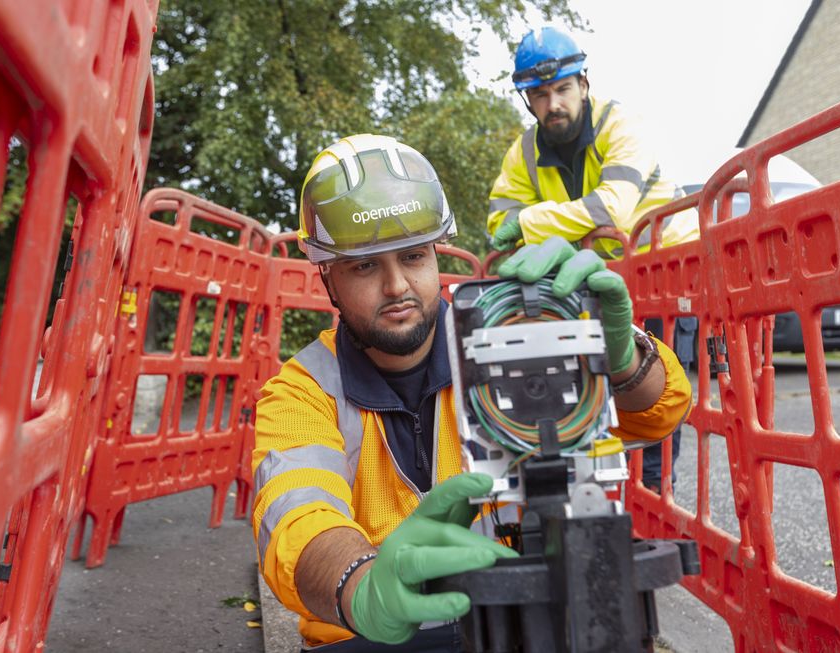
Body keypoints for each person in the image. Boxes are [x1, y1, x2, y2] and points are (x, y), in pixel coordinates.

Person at [251, 134, 692, 652]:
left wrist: (623, 358)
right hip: (367, 633)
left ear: (436, 255)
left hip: (519, 616)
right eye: (365, 265)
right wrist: (362, 583)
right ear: (327, 277)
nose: (397, 286)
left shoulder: (503, 334)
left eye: (413, 255)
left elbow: (652, 416)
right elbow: (298, 516)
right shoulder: (302, 389)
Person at [487, 26, 700, 492]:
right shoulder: (524, 151)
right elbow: (497, 224)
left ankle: (652, 500)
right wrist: (546, 225)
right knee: (585, 393)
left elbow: (612, 210)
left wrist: (532, 222)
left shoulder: (623, 126)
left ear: (584, 83)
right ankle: (606, 499)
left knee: (652, 392)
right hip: (589, 282)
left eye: (562, 88)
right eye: (539, 94)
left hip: (666, 274)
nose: (552, 103)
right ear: (527, 99)